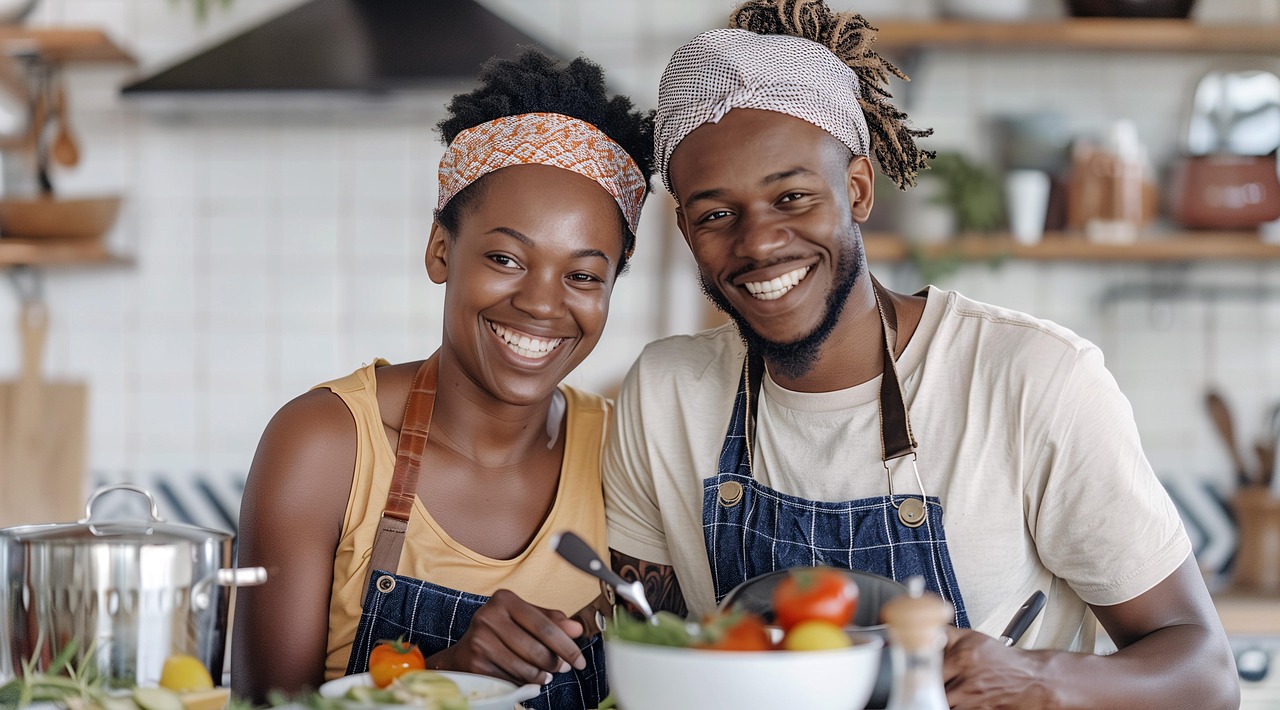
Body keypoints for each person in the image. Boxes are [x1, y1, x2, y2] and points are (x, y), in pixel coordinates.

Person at [602, 1, 1238, 707]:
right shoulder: (663, 395)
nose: (757, 243)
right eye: (716, 214)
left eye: (792, 196)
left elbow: (1205, 675)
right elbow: (640, 652)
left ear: (858, 188)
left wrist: (1039, 677)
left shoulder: (1033, 380)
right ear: (688, 231)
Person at [232, 49, 653, 710]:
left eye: (583, 275)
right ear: (440, 251)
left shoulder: (627, 454)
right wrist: (445, 677)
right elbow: (262, 708)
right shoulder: (324, 445)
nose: (543, 303)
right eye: (506, 258)